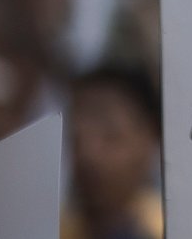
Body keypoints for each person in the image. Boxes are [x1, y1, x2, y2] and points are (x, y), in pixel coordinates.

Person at [63, 65, 162, 239]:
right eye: (76, 139)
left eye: (110, 136)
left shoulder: (172, 229)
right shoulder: (47, 229)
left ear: (150, 137)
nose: (88, 154)